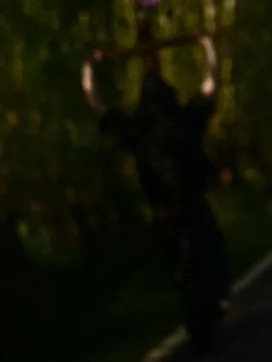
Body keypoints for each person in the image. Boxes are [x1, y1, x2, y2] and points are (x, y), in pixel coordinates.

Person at [81, 35, 230, 349]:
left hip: (174, 213)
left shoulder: (142, 127)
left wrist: (89, 70)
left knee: (193, 266)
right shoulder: (179, 119)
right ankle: (204, 310)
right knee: (199, 263)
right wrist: (207, 48)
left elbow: (98, 105)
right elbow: (210, 84)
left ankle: (205, 309)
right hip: (182, 210)